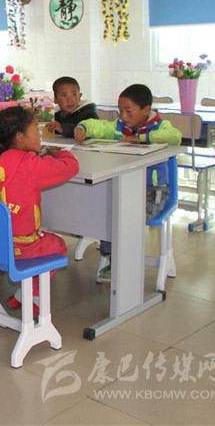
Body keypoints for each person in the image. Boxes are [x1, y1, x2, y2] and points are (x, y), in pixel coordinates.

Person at [0, 106, 79, 313]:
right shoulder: (27, 164)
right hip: (20, 246)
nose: (39, 135)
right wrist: (62, 153)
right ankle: (32, 295)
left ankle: (23, 295)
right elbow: (70, 167)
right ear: (20, 138)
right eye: (35, 130)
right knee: (58, 245)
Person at [74, 83, 181, 282]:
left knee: (122, 216)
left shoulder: (160, 126)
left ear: (146, 110)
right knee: (104, 211)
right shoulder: (119, 127)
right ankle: (113, 257)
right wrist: (83, 127)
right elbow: (99, 126)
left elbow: (175, 136)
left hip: (152, 193)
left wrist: (141, 138)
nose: (123, 116)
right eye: (120, 110)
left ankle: (120, 263)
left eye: (128, 111)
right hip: (123, 188)